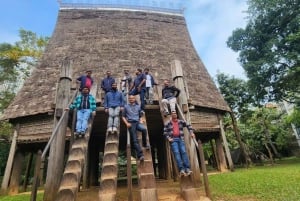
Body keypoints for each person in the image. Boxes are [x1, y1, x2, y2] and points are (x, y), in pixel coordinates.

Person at [163, 111, 195, 176]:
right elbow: (165, 132)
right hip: (173, 140)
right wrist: (169, 138)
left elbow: (189, 125)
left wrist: (191, 133)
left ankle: (187, 169)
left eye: (175, 113)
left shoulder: (180, 122)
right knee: (177, 153)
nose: (174, 114)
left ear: (176, 115)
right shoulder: (168, 123)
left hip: (180, 139)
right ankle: (181, 169)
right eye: (173, 113)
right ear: (171, 115)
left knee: (183, 152)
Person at [122, 95, 150, 161]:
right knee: (135, 140)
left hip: (137, 123)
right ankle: (140, 155)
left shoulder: (138, 107)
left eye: (132, 98)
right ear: (128, 100)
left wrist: (141, 119)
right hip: (131, 123)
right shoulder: (126, 107)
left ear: (134, 99)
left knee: (144, 129)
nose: (131, 99)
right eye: (130, 99)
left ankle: (145, 144)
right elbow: (123, 116)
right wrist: (127, 123)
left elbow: (140, 115)